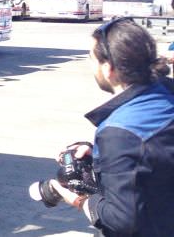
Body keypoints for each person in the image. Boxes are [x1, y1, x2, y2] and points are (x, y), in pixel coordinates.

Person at [48, 17, 174, 236]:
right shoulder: (165, 96)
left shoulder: (120, 133)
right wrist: (101, 155)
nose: (90, 64)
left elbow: (122, 220)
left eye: (91, 58)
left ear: (109, 68)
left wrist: (81, 200)